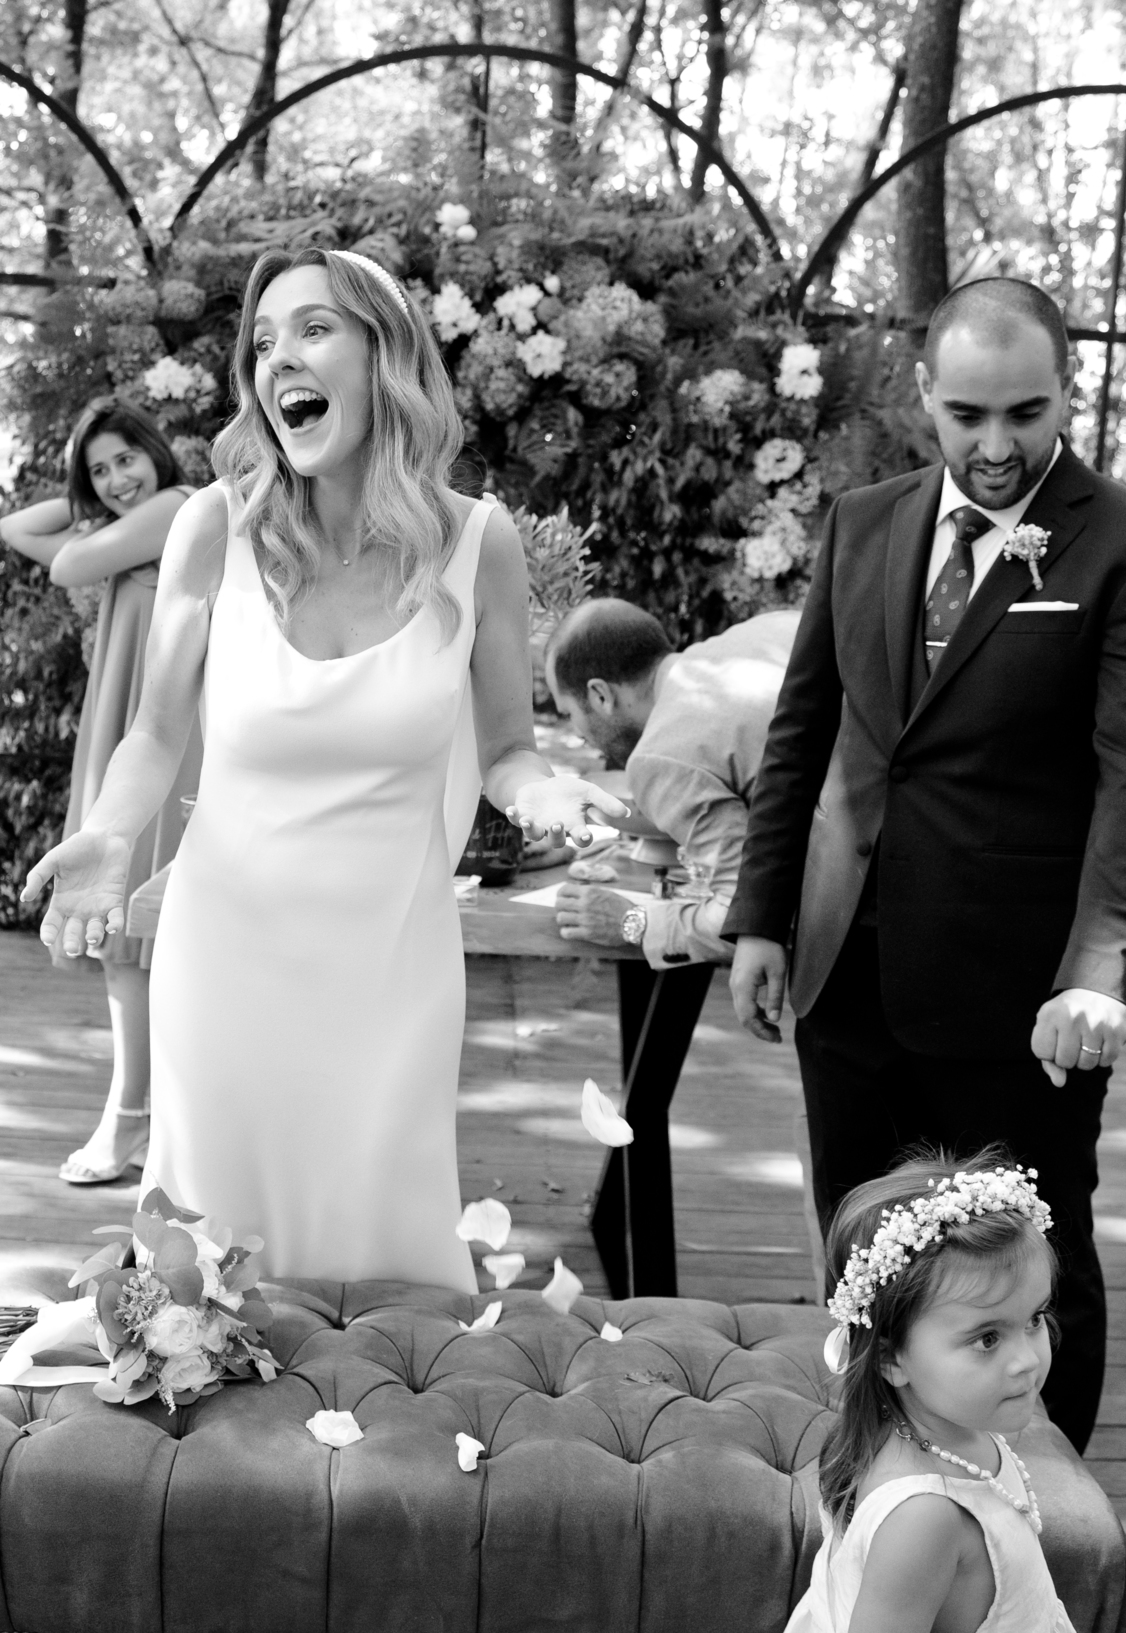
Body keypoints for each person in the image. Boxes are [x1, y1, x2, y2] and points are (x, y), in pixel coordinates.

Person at [22, 247, 623, 1290]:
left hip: (393, 976)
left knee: (386, 1279)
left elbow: (506, 752)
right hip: (223, 963)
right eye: (263, 343)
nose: (278, 359)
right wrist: (111, 832)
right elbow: (154, 734)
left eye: (313, 329)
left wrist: (547, 793)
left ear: (385, 357)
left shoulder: (478, 543)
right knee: (208, 1291)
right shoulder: (213, 528)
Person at [724, 276, 1126, 1453]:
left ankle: (1044, 1510)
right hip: (846, 973)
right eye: (968, 414)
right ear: (924, 394)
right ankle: (875, 1483)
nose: (996, 446)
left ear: (1067, 393)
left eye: (1025, 414)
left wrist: (1103, 969)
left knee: (1027, 1270)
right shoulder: (864, 520)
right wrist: (762, 916)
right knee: (864, 1255)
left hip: (1019, 1000)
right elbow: (804, 731)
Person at [1, 397, 202, 1185]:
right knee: (126, 942)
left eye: (127, 457)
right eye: (99, 469)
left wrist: (90, 512)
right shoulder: (133, 524)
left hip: (167, 740)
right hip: (122, 731)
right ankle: (140, 1115)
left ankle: (136, 1116)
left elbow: (60, 564)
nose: (119, 478)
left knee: (147, 938)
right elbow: (16, 527)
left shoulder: (176, 506)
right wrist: (85, 500)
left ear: (157, 452)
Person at [786, 1150, 1073, 1633]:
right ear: (890, 1357)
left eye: (1034, 1319)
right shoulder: (923, 1519)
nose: (1027, 1359)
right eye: (987, 1339)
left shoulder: (940, 1425)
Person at [546, 599, 800, 965]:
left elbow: (747, 918)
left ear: (600, 694)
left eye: (569, 712)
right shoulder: (771, 626)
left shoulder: (660, 758)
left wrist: (634, 923)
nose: (577, 732)